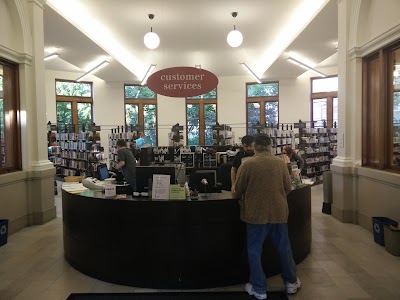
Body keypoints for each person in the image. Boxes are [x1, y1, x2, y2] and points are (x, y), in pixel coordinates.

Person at [233, 134, 301, 299]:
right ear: (271, 146)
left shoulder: (247, 165)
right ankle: (291, 282)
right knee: (283, 247)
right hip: (278, 212)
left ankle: (259, 287)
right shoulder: (279, 163)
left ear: (254, 146)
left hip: (255, 214)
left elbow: (237, 191)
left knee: (255, 250)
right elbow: (288, 187)